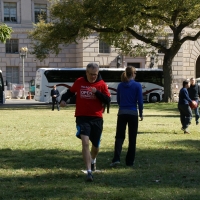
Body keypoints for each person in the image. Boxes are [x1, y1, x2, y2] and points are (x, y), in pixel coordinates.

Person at [60, 62, 111, 181]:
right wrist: (63, 100)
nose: (94, 76)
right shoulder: (79, 81)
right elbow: (70, 92)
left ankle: (93, 160)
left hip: (97, 118)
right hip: (82, 117)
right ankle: (89, 172)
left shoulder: (101, 84)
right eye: (91, 74)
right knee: (85, 143)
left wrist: (96, 92)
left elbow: (108, 100)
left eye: (95, 74)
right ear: (86, 73)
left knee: (96, 146)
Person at [110, 66, 143, 167]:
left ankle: (116, 158)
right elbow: (140, 101)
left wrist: (123, 106)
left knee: (119, 137)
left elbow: (118, 100)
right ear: (133, 74)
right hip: (133, 113)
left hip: (122, 112)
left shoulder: (120, 85)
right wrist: (141, 113)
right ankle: (130, 161)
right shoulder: (137, 85)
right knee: (132, 138)